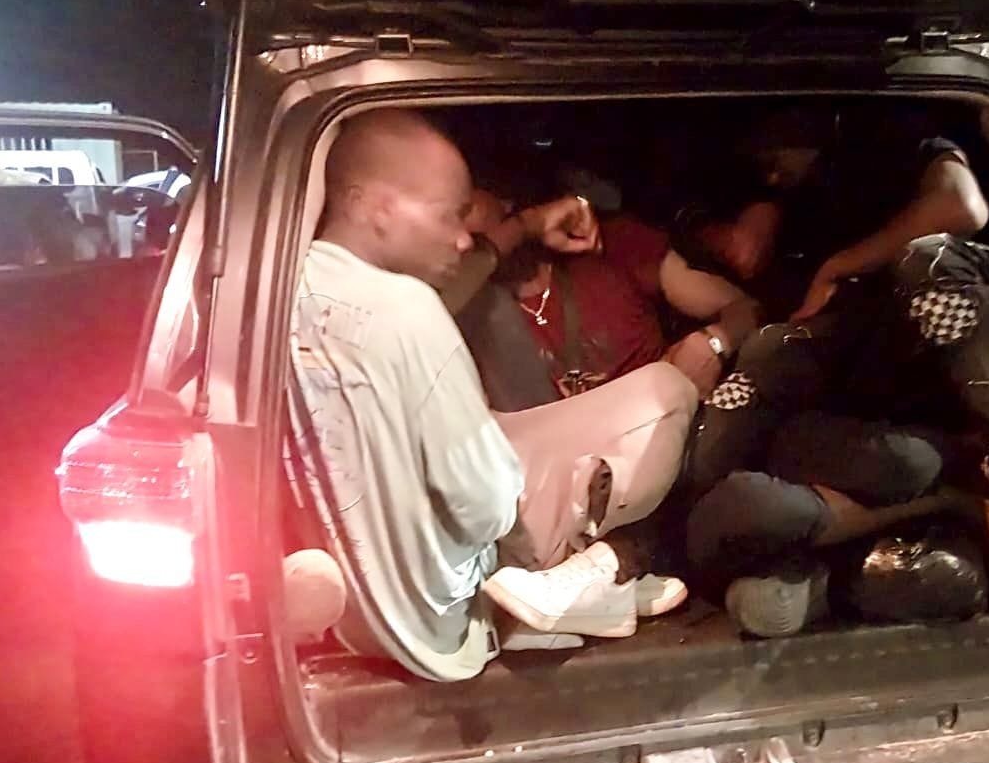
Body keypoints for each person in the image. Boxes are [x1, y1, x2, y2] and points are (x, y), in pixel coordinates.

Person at [286, 110, 696, 681]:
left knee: (498, 429)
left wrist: (524, 226)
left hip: (359, 615)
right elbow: (486, 505)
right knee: (668, 391)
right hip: (450, 613)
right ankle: (565, 583)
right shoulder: (409, 311)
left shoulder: (285, 286)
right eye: (450, 216)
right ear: (374, 206)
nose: (462, 237)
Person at [673, 109, 989, 631]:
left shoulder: (882, 147)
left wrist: (839, 267)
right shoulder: (768, 216)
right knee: (767, 525)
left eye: (777, 158)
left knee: (928, 265)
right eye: (762, 169)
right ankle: (945, 510)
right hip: (851, 423)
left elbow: (961, 205)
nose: (772, 174)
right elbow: (725, 272)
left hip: (940, 378)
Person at [455, 182, 762, 412]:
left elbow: (746, 309)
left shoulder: (610, 246)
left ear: (502, 199)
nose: (458, 235)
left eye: (462, 209)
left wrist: (714, 343)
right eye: (442, 219)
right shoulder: (459, 320)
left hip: (675, 428)